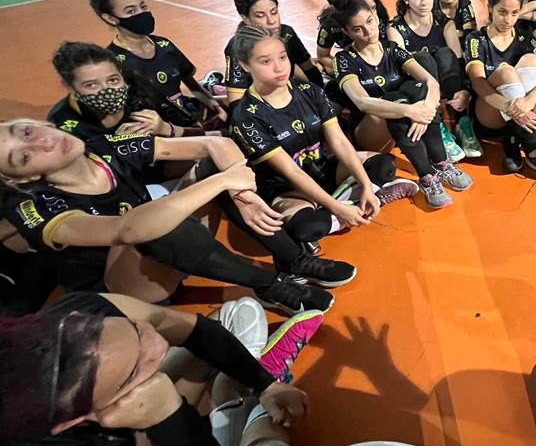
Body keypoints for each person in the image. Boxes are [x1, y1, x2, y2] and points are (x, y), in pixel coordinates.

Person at [0, 291, 316, 446]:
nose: (158, 346)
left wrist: (267, 386)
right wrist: (168, 414)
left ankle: (247, 385)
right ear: (74, 419)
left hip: (131, 421)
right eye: (137, 367)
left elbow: (192, 329)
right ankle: (247, 406)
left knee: (239, 313)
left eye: (135, 329)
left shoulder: (77, 315)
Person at [0, 119, 339, 312]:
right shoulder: (33, 209)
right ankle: (271, 286)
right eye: (24, 158)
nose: (42, 143)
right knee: (153, 224)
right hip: (127, 290)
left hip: (169, 250)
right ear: (22, 179)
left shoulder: (103, 147)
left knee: (210, 166)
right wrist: (225, 180)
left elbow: (214, 144)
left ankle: (292, 260)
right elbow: (127, 229)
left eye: (27, 133)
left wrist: (242, 194)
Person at [229, 23, 418, 246]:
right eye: (265, 61)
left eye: (282, 57)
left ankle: (357, 200)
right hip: (290, 189)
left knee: (383, 164)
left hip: (323, 169)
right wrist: (336, 208)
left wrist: (366, 184)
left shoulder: (309, 91)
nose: (279, 67)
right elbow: (290, 171)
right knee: (306, 227)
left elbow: (338, 141)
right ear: (245, 65)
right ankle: (344, 209)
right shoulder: (246, 117)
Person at [328, 0, 473, 209]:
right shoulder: (345, 60)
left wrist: (424, 108)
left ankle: (441, 163)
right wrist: (409, 112)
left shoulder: (392, 49)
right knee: (397, 98)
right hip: (371, 129)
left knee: (417, 88)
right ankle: (426, 177)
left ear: (376, 16)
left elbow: (431, 83)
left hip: (405, 124)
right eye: (358, 29)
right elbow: (363, 102)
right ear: (348, 32)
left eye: (370, 21)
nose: (369, 31)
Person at [465, 0, 536, 182]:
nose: (508, 19)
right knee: (506, 72)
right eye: (502, 12)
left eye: (514, 13)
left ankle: (513, 139)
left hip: (524, 111)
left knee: (532, 61)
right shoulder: (476, 39)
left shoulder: (525, 38)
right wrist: (511, 106)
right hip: (490, 111)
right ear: (490, 8)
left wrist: (528, 101)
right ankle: (535, 148)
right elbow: (478, 83)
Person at [90, 0, 227, 129]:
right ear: (110, 18)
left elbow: (190, 82)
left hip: (185, 113)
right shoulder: (112, 63)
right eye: (131, 11)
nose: (142, 14)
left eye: (143, 7)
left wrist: (212, 104)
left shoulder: (164, 45)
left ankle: (210, 87)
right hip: (156, 128)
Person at [388, 0, 477, 161]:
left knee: (446, 53)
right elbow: (404, 70)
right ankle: (439, 129)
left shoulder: (445, 22)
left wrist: (466, 91)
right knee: (422, 58)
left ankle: (463, 125)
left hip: (446, 85)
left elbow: (458, 61)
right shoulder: (396, 28)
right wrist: (430, 99)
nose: (424, 2)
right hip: (419, 90)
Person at [48, 41, 203, 143]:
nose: (106, 90)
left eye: (113, 80)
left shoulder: (140, 91)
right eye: (91, 85)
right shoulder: (63, 124)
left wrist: (165, 129)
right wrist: (118, 149)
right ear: (69, 86)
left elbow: (198, 134)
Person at [225, 0, 323, 106]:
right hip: (261, 108)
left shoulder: (287, 33)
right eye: (260, 16)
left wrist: (322, 100)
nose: (271, 21)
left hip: (288, 98)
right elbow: (236, 102)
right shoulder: (236, 47)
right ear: (246, 19)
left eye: (274, 12)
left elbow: (310, 71)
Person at [316, 0, 389, 75]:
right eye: (364, 9)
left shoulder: (380, 17)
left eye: (373, 7)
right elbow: (323, 56)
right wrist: (349, 68)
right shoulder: (331, 24)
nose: (372, 15)